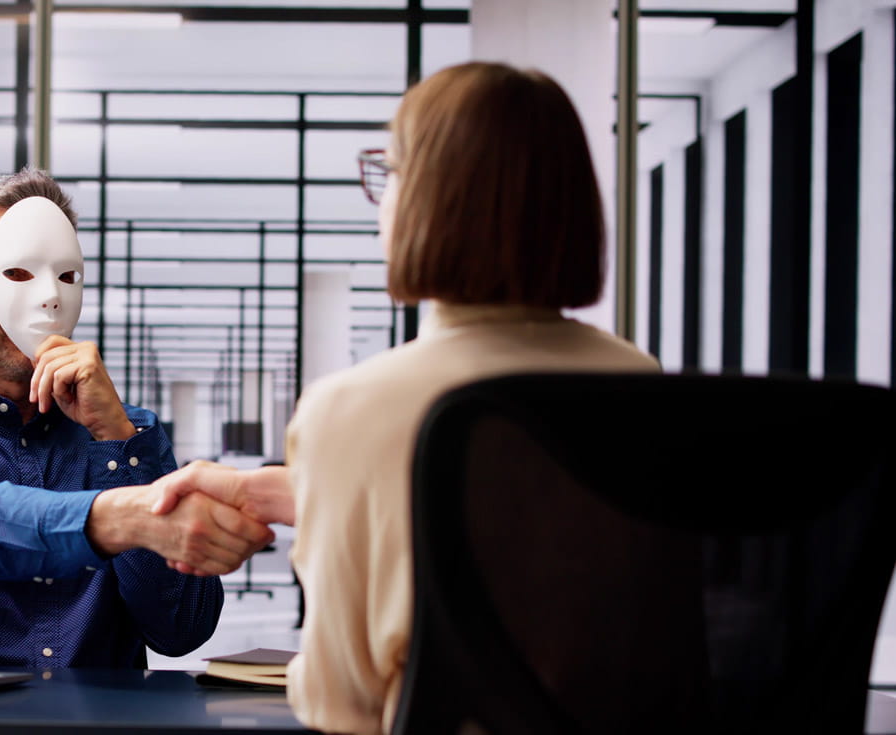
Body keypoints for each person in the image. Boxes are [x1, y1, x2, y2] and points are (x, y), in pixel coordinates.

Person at [152, 62, 660, 734]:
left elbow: (340, 701)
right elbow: (517, 528)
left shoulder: (351, 409)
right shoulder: (638, 383)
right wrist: (277, 491)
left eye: (388, 172)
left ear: (431, 198)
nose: (382, 197)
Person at [0, 168, 273, 669]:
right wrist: (122, 517)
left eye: (66, 276)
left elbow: (182, 631)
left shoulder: (131, 435)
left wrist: (117, 440)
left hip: (102, 725)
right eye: (14, 273)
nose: (48, 297)